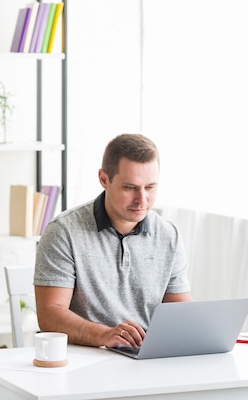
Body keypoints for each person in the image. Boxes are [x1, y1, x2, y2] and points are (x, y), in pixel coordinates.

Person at [34, 133, 192, 349]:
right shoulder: (63, 232)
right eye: (130, 187)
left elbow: (181, 316)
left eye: (150, 187)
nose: (142, 199)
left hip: (145, 360)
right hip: (84, 359)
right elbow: (49, 316)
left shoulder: (169, 235)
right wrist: (105, 335)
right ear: (103, 179)